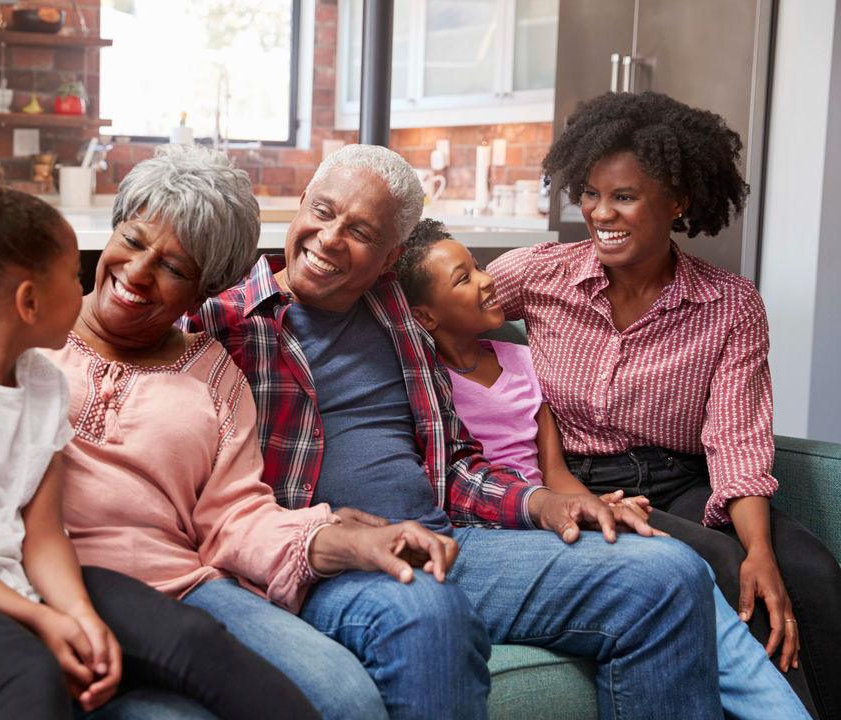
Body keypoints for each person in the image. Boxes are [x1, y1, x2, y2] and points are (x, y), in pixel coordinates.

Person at [186, 142, 726, 720]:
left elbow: (453, 464)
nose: (330, 239)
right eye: (322, 211)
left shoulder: (398, 312)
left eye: (361, 232)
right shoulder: (225, 321)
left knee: (670, 575)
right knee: (425, 608)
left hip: (452, 541)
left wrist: (544, 504)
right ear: (300, 205)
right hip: (331, 562)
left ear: (391, 256)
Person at [0, 147, 323, 720]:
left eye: (174, 268)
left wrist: (77, 612)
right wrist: (44, 619)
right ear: (29, 301)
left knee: (197, 642)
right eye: (68, 275)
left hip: (31, 582)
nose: (98, 286)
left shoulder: (43, 384)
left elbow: (44, 533)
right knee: (33, 678)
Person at [49, 143, 468, 720]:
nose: (139, 275)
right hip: (54, 576)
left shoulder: (217, 371)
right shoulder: (26, 329)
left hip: (188, 587)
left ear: (203, 294)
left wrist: (347, 541)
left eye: (174, 268)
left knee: (347, 700)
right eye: (135, 241)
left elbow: (235, 518)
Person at [487, 91, 841, 719]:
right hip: (573, 480)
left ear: (676, 202)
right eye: (590, 194)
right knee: (724, 566)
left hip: (682, 483)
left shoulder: (729, 304)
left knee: (807, 570)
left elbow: (737, 441)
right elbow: (437, 301)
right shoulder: (541, 274)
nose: (601, 213)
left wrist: (762, 548)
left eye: (623, 196)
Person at [395, 219, 811, 720]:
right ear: (425, 317)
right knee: (684, 567)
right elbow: (447, 481)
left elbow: (554, 471)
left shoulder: (524, 362)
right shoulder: (423, 382)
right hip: (498, 525)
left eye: (478, 266)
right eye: (464, 277)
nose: (487, 279)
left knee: (687, 564)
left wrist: (596, 506)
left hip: (558, 509)